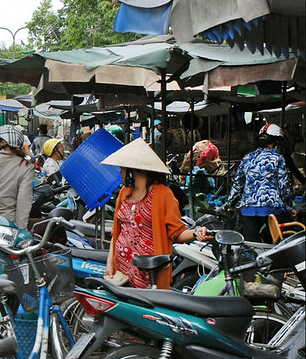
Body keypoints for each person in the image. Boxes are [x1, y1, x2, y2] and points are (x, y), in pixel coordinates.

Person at [101, 138, 208, 289]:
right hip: (122, 270)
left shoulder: (164, 195)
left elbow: (177, 233)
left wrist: (195, 233)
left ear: (134, 169)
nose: (120, 172)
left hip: (149, 272)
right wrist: (110, 263)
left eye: (123, 168)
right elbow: (116, 233)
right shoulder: (124, 193)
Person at [225, 123, 295, 242]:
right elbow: (284, 187)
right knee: (275, 243)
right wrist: (289, 207)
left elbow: (237, 185)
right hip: (272, 208)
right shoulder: (277, 159)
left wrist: (228, 203)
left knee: (250, 243)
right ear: (276, 142)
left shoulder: (247, 158)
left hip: (248, 208)